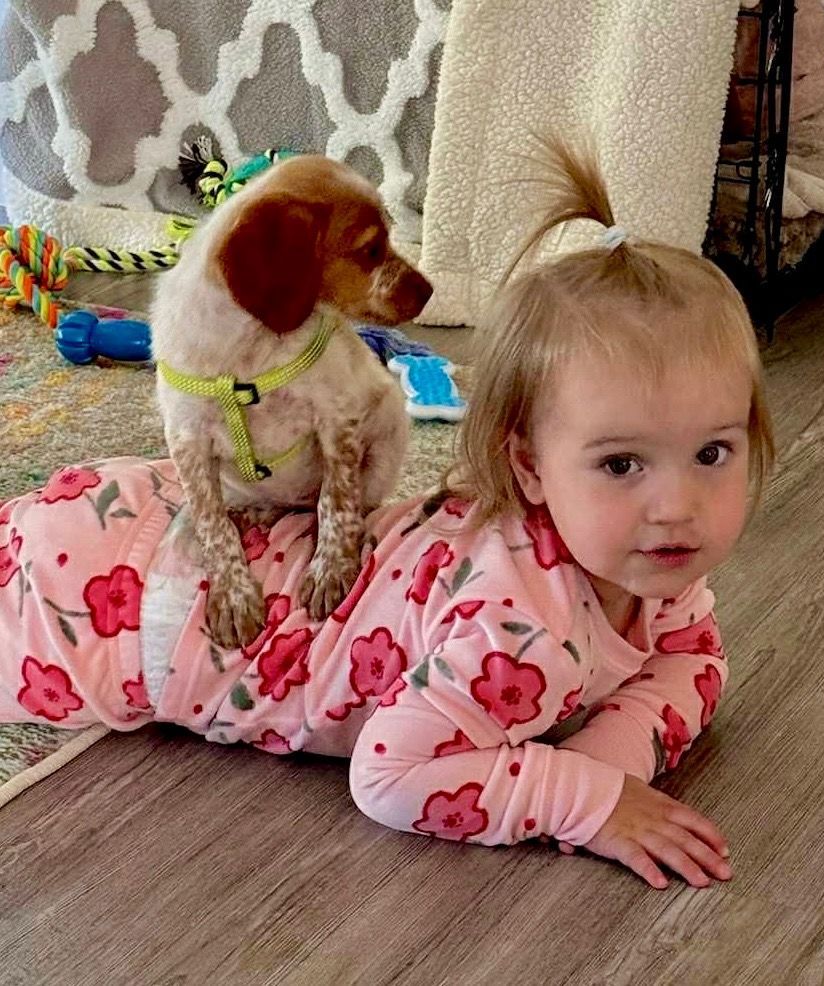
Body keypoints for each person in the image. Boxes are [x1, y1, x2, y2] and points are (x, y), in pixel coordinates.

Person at [0, 142, 773, 890]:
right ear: (529, 469)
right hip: (111, 607)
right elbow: (391, 775)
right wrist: (582, 800)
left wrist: (614, 750)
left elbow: (694, 657)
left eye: (710, 454)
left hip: (188, 540)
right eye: (619, 465)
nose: (675, 509)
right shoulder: (520, 637)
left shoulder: (650, 569)